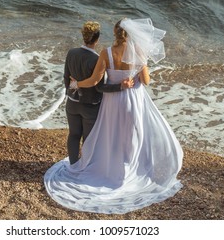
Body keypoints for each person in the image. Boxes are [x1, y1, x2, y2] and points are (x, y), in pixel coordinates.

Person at [44, 18, 183, 214]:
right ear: (131, 34)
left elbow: (94, 81)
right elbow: (146, 81)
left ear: (115, 33)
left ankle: (107, 167)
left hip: (111, 102)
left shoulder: (106, 53)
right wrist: (134, 75)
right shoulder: (139, 52)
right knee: (132, 136)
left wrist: (76, 84)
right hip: (132, 100)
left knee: (111, 134)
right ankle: (127, 171)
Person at [63, 21, 133, 165]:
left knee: (74, 135)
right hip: (90, 107)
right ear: (97, 38)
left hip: (72, 103)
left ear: (84, 36)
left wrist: (71, 93)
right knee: (89, 139)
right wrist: (120, 86)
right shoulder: (96, 59)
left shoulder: (71, 53)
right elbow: (99, 87)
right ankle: (86, 166)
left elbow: (66, 78)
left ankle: (73, 165)